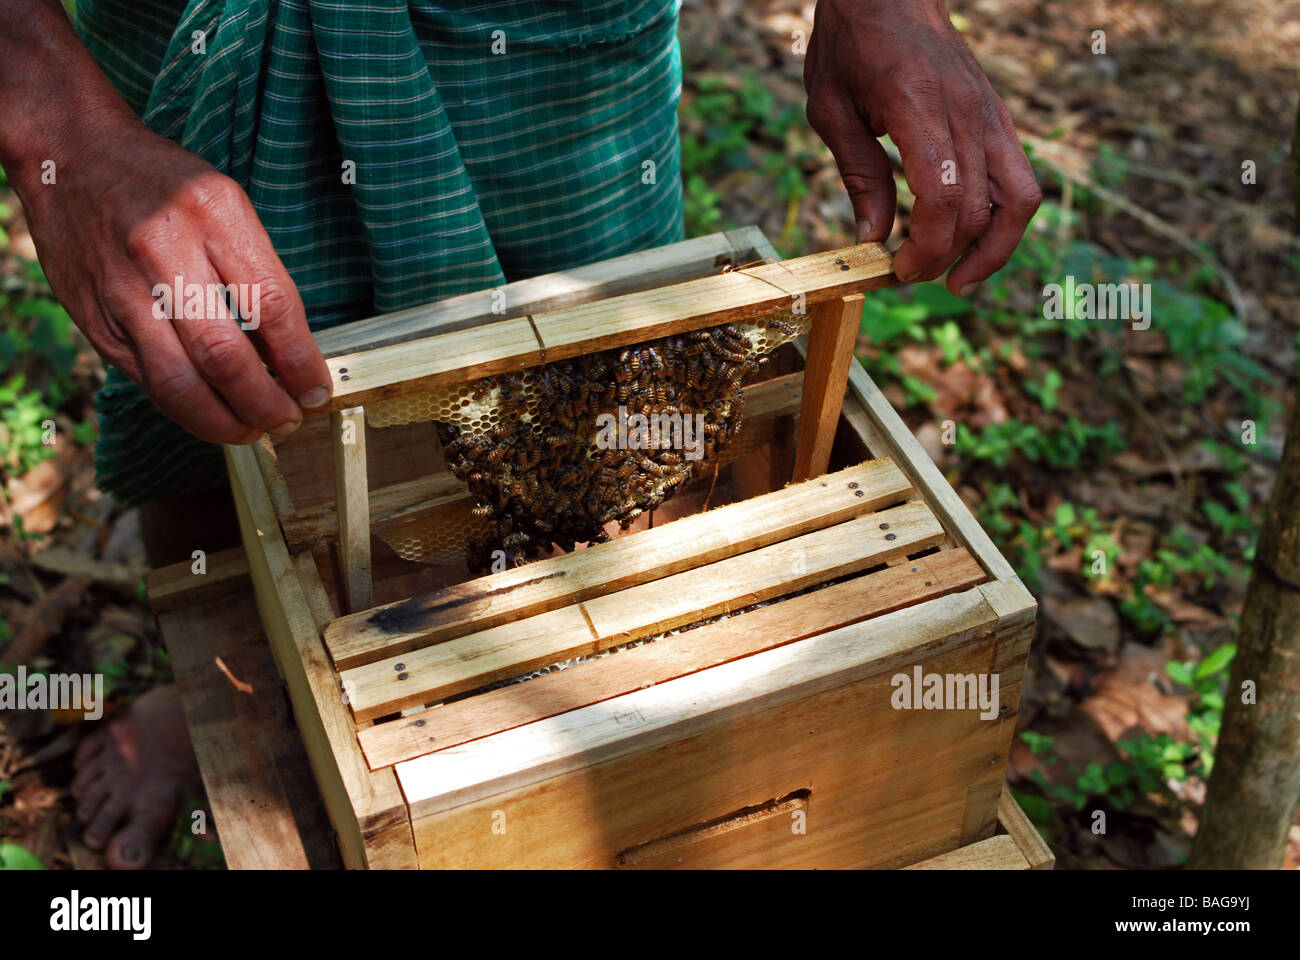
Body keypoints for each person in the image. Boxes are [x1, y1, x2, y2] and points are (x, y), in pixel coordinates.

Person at [0, 0, 1041, 868]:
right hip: (194, 24)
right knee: (212, 347)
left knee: (595, 381)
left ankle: (583, 700)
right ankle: (228, 683)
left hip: (541, 42)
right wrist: (53, 112)